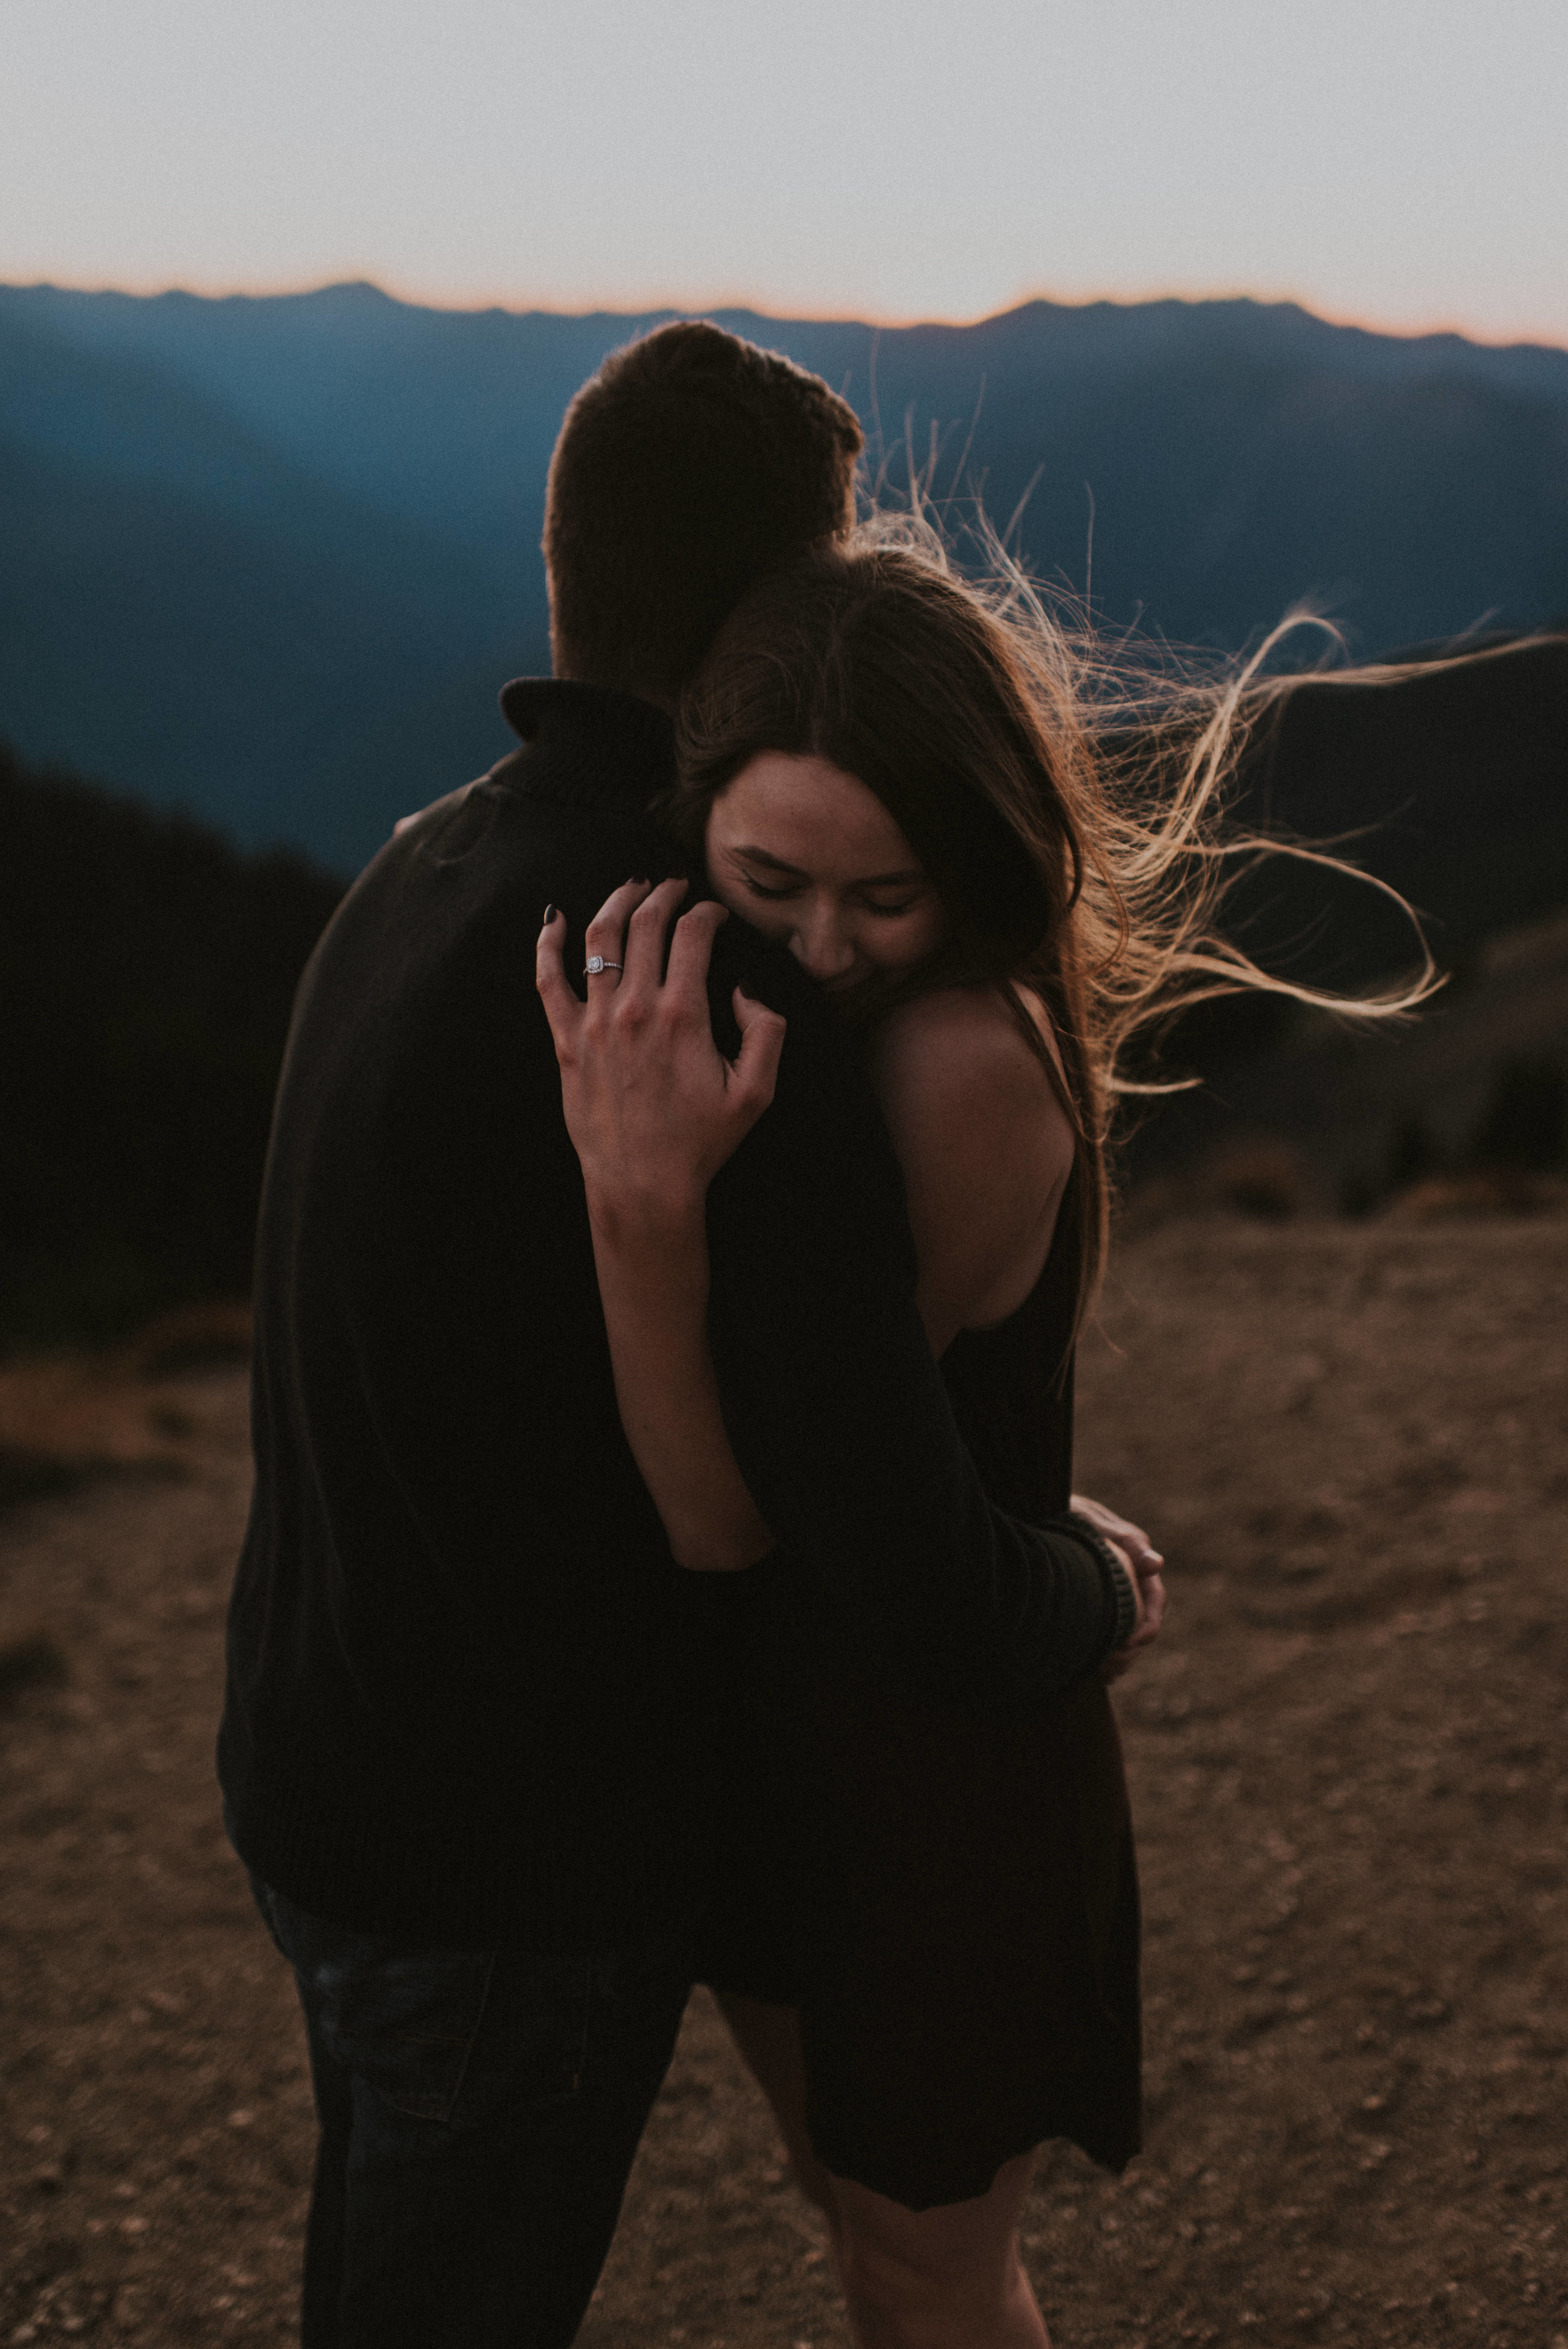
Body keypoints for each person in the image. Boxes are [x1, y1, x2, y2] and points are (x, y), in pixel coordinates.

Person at [221, 323, 1158, 2349]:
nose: (821, 930)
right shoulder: (693, 979)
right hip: (502, 1845)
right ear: (784, 609)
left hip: (315, 1755)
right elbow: (856, 1537)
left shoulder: (420, 870)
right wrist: (1085, 1578)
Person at [538, 526, 1432, 2348]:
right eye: (771, 878)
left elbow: (738, 1509)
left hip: (933, 1772)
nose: (823, 944)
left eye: (887, 894)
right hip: (792, 1743)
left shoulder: (943, 1061)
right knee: (871, 2242)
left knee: (924, 2276)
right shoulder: (775, 1022)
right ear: (689, 821)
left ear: (975, 864)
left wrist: (639, 1210)